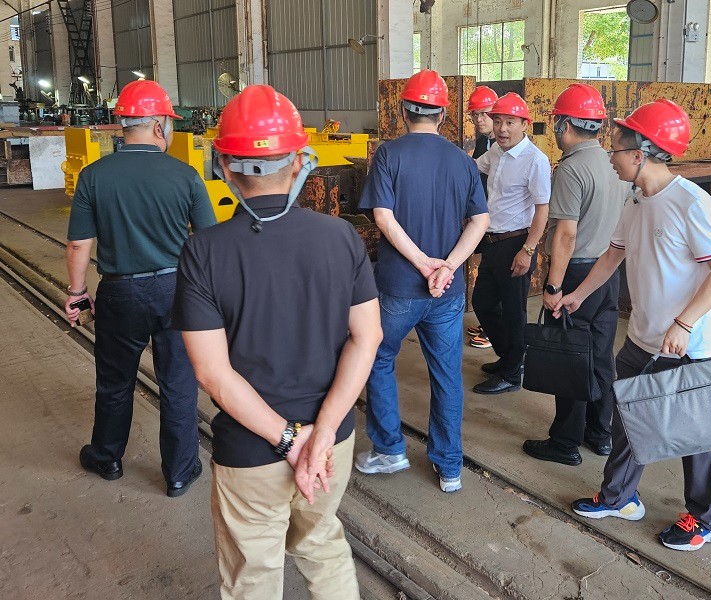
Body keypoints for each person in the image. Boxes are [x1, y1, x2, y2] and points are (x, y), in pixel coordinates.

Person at [172, 85, 382, 598]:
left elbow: (212, 374)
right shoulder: (341, 237)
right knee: (323, 546)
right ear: (300, 161)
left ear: (223, 164)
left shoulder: (203, 252)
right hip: (332, 446)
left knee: (253, 576)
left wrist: (291, 440)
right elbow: (367, 336)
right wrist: (321, 434)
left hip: (251, 451)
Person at [556, 99, 711, 551]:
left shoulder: (691, 203)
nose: (610, 157)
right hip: (642, 336)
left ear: (640, 154)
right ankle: (620, 497)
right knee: (628, 418)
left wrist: (684, 323)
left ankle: (708, 520)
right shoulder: (635, 200)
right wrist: (579, 294)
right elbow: (612, 255)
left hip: (686, 344)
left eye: (615, 149)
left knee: (695, 435)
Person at [65, 79, 216, 497]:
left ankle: (107, 457)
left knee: (115, 381)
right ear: (159, 125)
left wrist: (77, 292)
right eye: (171, 122)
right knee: (178, 383)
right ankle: (180, 471)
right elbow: (208, 243)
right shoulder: (185, 176)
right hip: (177, 292)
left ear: (123, 125)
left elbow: (79, 244)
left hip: (120, 293)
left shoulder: (93, 176)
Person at [355, 69, 489, 493]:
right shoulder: (463, 161)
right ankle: (449, 467)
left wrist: (422, 263)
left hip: (398, 286)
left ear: (403, 110)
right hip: (447, 292)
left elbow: (383, 216)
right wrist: (446, 267)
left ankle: (389, 449)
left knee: (376, 356)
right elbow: (480, 220)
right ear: (444, 114)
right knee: (447, 374)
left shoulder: (389, 155)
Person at [523, 84, 628, 466]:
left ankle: (565, 442)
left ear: (564, 124)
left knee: (570, 356)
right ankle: (599, 434)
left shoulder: (570, 169)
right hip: (608, 272)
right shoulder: (614, 164)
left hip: (578, 273)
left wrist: (553, 286)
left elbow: (566, 235)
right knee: (600, 354)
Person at [472, 92, 550, 395]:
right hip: (492, 242)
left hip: (516, 242)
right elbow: (473, 167)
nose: (502, 129)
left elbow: (542, 210)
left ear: (524, 124)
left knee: (514, 311)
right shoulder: (495, 151)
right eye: (498, 121)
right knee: (483, 303)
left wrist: (527, 251)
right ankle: (510, 358)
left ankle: (512, 373)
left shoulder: (535, 160)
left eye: (509, 122)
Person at [465, 85, 498, 350]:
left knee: (497, 279)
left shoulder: (504, 145)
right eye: (475, 114)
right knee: (487, 269)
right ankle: (488, 323)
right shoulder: (482, 143)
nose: (479, 119)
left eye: (483, 113)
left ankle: (492, 331)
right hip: (484, 218)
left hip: (502, 223)